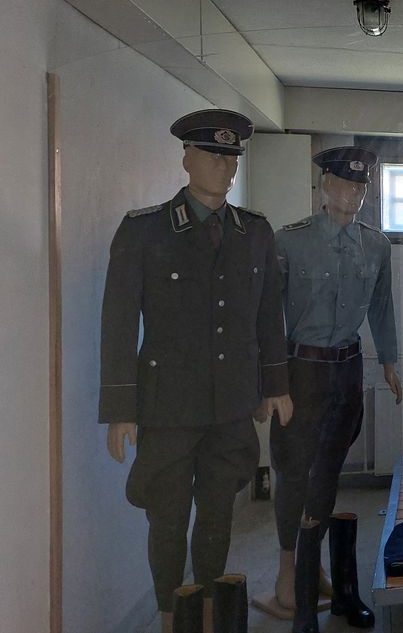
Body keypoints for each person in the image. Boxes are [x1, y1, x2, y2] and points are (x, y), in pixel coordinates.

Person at [99, 109, 294, 633]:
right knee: (166, 516)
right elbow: (118, 322)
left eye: (231, 157)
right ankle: (171, 615)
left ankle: (206, 610)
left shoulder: (253, 232)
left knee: (217, 512)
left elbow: (267, 313)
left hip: (231, 404)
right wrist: (120, 408)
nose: (224, 167)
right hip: (167, 405)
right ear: (186, 158)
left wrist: (274, 385)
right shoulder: (144, 230)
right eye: (212, 155)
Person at [266, 146, 402, 632]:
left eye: (360, 186)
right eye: (344, 183)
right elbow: (268, 315)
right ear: (324, 185)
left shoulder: (376, 246)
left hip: (347, 370)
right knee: (293, 473)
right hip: (300, 370)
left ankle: (321, 574)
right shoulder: (290, 241)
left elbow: (381, 307)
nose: (353, 193)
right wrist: (270, 380)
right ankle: (289, 571)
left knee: (327, 473)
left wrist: (389, 360)